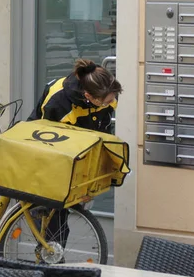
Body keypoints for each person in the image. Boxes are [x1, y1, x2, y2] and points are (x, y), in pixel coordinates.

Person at [27, 58, 123, 261]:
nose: (111, 103)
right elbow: (52, 151)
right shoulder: (58, 102)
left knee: (59, 223)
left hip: (74, 151)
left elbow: (98, 142)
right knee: (55, 226)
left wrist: (90, 184)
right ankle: (50, 271)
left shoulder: (105, 96)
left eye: (112, 99)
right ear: (88, 96)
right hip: (42, 153)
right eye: (106, 101)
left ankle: (51, 264)